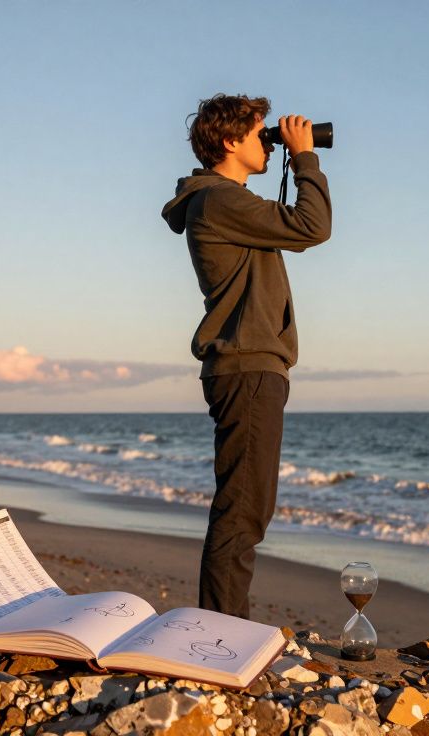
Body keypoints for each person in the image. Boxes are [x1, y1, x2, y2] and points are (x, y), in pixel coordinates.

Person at [160, 94, 333, 620]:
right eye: (261, 133)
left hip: (248, 367)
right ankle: (218, 637)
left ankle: (221, 628)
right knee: (242, 513)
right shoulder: (220, 201)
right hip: (248, 367)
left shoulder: (227, 202)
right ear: (231, 142)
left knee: (244, 509)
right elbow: (313, 227)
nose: (269, 141)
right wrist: (304, 158)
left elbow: (296, 226)